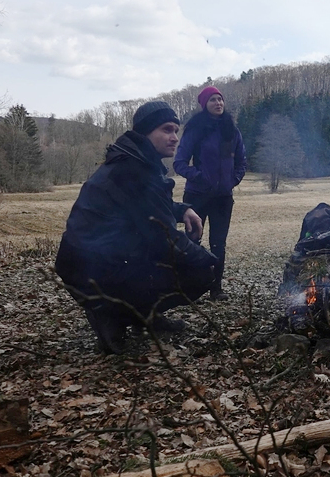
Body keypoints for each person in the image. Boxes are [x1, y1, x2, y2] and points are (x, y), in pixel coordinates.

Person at [55, 101, 218, 354]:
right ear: (145, 132)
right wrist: (209, 260)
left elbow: (145, 206)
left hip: (96, 261)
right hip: (91, 269)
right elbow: (166, 241)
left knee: (171, 262)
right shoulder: (133, 170)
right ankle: (108, 315)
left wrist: (182, 209)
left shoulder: (134, 161)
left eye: (176, 130)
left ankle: (144, 315)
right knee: (201, 270)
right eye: (167, 129)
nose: (175, 138)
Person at [173, 86, 247, 300]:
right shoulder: (196, 129)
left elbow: (241, 161)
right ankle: (189, 290)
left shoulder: (231, 130)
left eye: (220, 99)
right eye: (213, 100)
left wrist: (232, 180)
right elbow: (179, 163)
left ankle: (216, 289)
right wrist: (200, 177)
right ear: (205, 104)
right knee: (192, 241)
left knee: (218, 244)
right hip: (197, 196)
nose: (218, 103)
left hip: (223, 198)